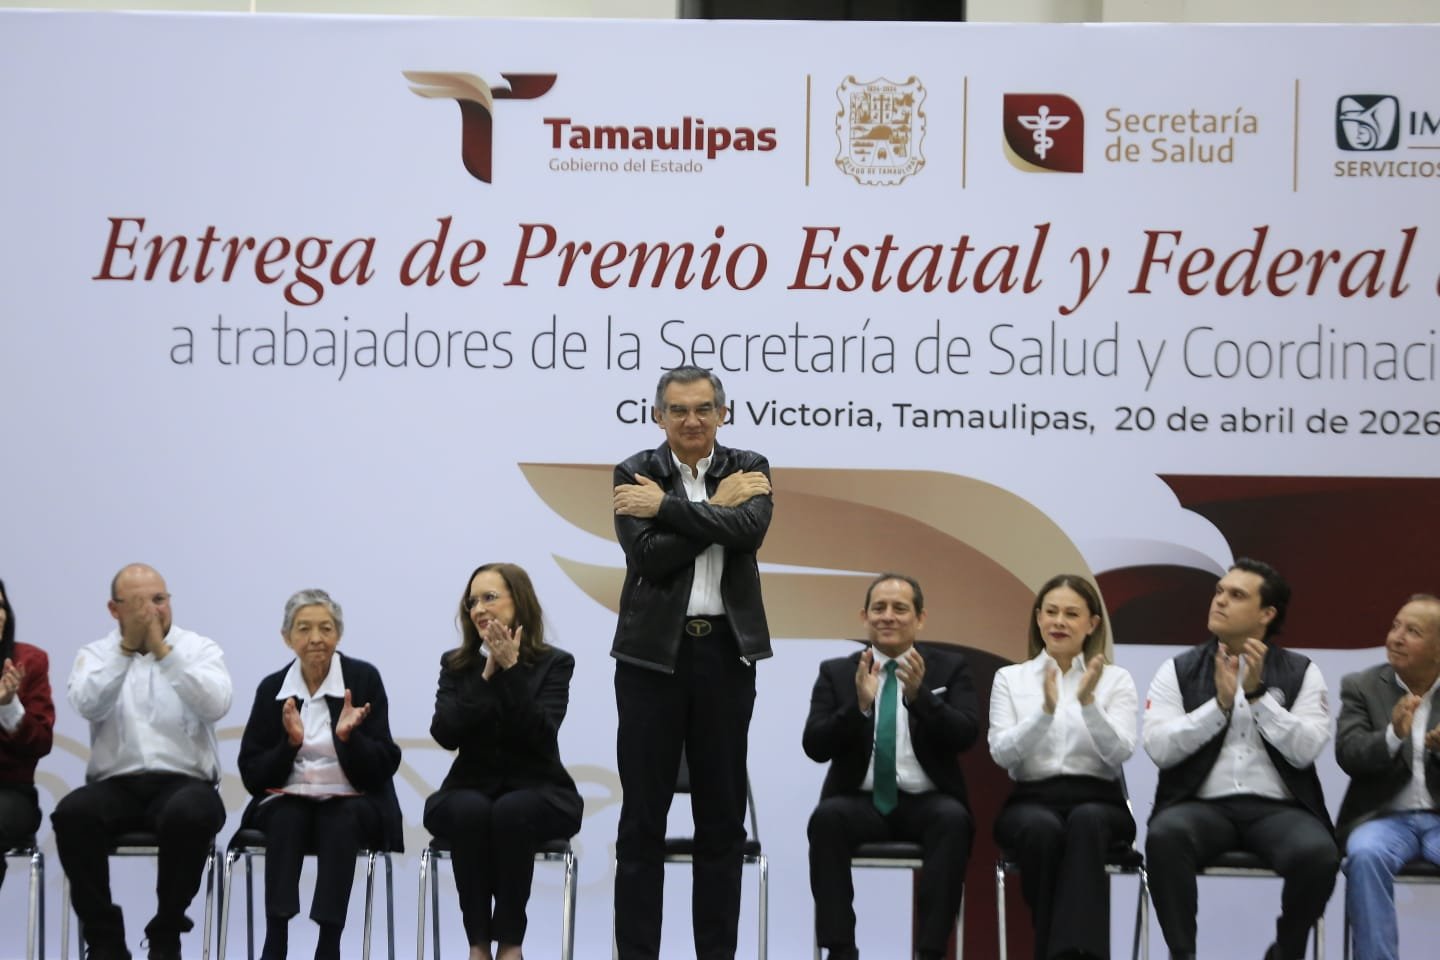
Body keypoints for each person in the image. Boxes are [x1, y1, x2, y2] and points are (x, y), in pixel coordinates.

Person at [611, 366, 773, 960]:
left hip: (726, 656)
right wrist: (711, 510)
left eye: (704, 408)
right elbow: (649, 557)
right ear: (659, 417)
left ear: (723, 414)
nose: (692, 420)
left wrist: (667, 507)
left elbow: (749, 532)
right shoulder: (634, 471)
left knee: (722, 820)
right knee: (642, 819)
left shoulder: (749, 467)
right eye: (678, 410)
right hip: (651, 660)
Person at [1142, 558, 1338, 960]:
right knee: (1165, 837)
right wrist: (1219, 705)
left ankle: (1286, 951)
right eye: (1219, 592)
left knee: (1319, 854)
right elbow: (1159, 748)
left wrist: (1257, 696)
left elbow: (1305, 750)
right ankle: (1182, 954)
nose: (1220, 601)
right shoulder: (1177, 670)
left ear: (1267, 614)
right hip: (1200, 806)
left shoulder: (1302, 671)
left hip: (1278, 810)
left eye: (1236, 595)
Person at [52, 563, 232, 960]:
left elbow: (216, 704)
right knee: (72, 815)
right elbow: (87, 704)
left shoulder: (199, 648)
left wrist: (164, 654)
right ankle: (105, 941)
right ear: (114, 609)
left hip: (187, 782)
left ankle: (167, 932)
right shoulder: (96, 654)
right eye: (137, 603)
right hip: (115, 786)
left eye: (159, 599)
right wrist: (125, 651)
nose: (151, 611)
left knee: (190, 814)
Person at [803, 573, 978, 960]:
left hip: (928, 801)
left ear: (920, 618)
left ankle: (930, 952)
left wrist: (921, 699)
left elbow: (966, 735)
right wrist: (859, 706)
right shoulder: (837, 672)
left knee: (953, 821)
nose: (888, 616)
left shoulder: (949, 668)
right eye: (879, 608)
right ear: (864, 616)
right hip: (859, 800)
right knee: (826, 821)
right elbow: (814, 745)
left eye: (900, 608)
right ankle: (840, 950)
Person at [424, 563, 583, 960]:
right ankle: (478, 944)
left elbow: (541, 735)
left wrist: (511, 670)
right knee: (470, 810)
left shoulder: (555, 663)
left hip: (540, 790)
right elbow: (445, 733)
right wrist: (485, 676)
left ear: (519, 601)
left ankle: (510, 945)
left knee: (512, 810)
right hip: (469, 788)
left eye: (489, 598)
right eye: (472, 602)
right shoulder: (456, 664)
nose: (478, 608)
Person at [237, 589, 403, 960]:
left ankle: (329, 943)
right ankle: (275, 939)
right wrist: (290, 745)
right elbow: (252, 774)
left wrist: (349, 739)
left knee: (339, 818)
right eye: (304, 629)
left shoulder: (362, 679)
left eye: (326, 628)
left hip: (353, 801)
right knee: (287, 817)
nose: (316, 638)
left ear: (338, 634)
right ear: (287, 637)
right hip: (287, 799)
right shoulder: (273, 689)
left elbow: (384, 764)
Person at [989, 574, 1137, 960]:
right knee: (1041, 830)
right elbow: (1002, 754)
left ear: (1092, 624)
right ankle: (1073, 953)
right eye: (1051, 612)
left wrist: (1089, 704)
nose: (1059, 622)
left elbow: (1120, 752)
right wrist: (1045, 712)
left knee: (1086, 822)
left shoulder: (1115, 680)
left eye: (1072, 614)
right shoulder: (1010, 679)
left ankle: (1059, 953)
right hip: (1032, 800)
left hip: (1100, 801)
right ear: (1038, 618)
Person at [1334, 593, 1440, 960]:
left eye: (1413, 631)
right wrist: (1393, 735)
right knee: (1364, 855)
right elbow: (1349, 754)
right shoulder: (1362, 686)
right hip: (1383, 818)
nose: (1396, 637)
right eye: (1395, 626)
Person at [0, 578, 55, 890]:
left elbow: (40, 742)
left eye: (1, 606)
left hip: (10, 793)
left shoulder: (28, 662)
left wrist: (8, 706)